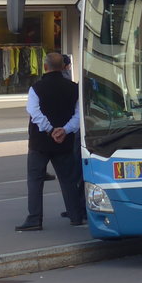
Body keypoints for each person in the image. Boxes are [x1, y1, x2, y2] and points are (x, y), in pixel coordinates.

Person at [15, 51, 86, 231]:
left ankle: (34, 219)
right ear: (64, 67)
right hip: (65, 141)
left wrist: (50, 129)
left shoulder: (36, 88)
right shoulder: (73, 88)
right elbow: (79, 115)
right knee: (68, 179)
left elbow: (34, 112)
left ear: (45, 67)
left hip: (40, 142)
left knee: (35, 180)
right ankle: (76, 215)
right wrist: (64, 130)